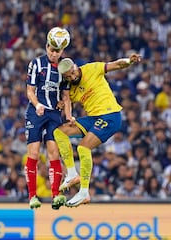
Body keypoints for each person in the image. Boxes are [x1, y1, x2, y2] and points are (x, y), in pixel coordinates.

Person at [53, 53, 142, 207]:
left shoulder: (91, 68)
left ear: (76, 67)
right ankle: (72, 173)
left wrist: (129, 61)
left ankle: (84, 192)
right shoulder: (71, 88)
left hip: (110, 116)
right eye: (68, 77)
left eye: (73, 72)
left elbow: (115, 64)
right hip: (94, 118)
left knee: (83, 147)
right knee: (59, 132)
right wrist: (61, 104)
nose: (73, 77)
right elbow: (66, 101)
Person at [24, 27, 72, 209]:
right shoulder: (36, 64)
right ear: (46, 47)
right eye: (51, 49)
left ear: (62, 51)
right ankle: (32, 196)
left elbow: (66, 96)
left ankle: (55, 195)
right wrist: (37, 104)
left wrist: (69, 116)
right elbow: (30, 90)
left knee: (54, 153)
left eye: (57, 51)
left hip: (53, 114)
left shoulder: (65, 68)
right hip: (36, 112)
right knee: (34, 153)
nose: (53, 53)